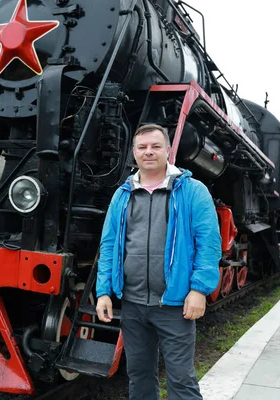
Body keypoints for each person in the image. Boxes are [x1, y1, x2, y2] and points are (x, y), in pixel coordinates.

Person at [95, 124, 221, 399]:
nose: (148, 152)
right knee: (139, 377)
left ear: (168, 150)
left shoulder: (192, 191)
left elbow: (209, 244)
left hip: (174, 305)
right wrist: (103, 292)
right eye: (142, 147)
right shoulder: (122, 195)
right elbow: (108, 246)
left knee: (181, 381)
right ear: (134, 153)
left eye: (155, 146)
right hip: (133, 304)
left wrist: (199, 289)